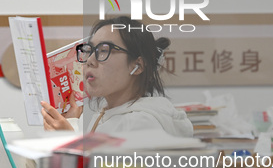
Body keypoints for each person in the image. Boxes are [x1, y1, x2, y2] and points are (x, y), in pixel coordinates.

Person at [41, 16, 193, 137]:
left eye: (104, 50)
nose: (90, 60)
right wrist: (71, 121)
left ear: (137, 65)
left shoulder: (140, 123)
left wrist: (67, 138)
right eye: (91, 49)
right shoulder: (104, 115)